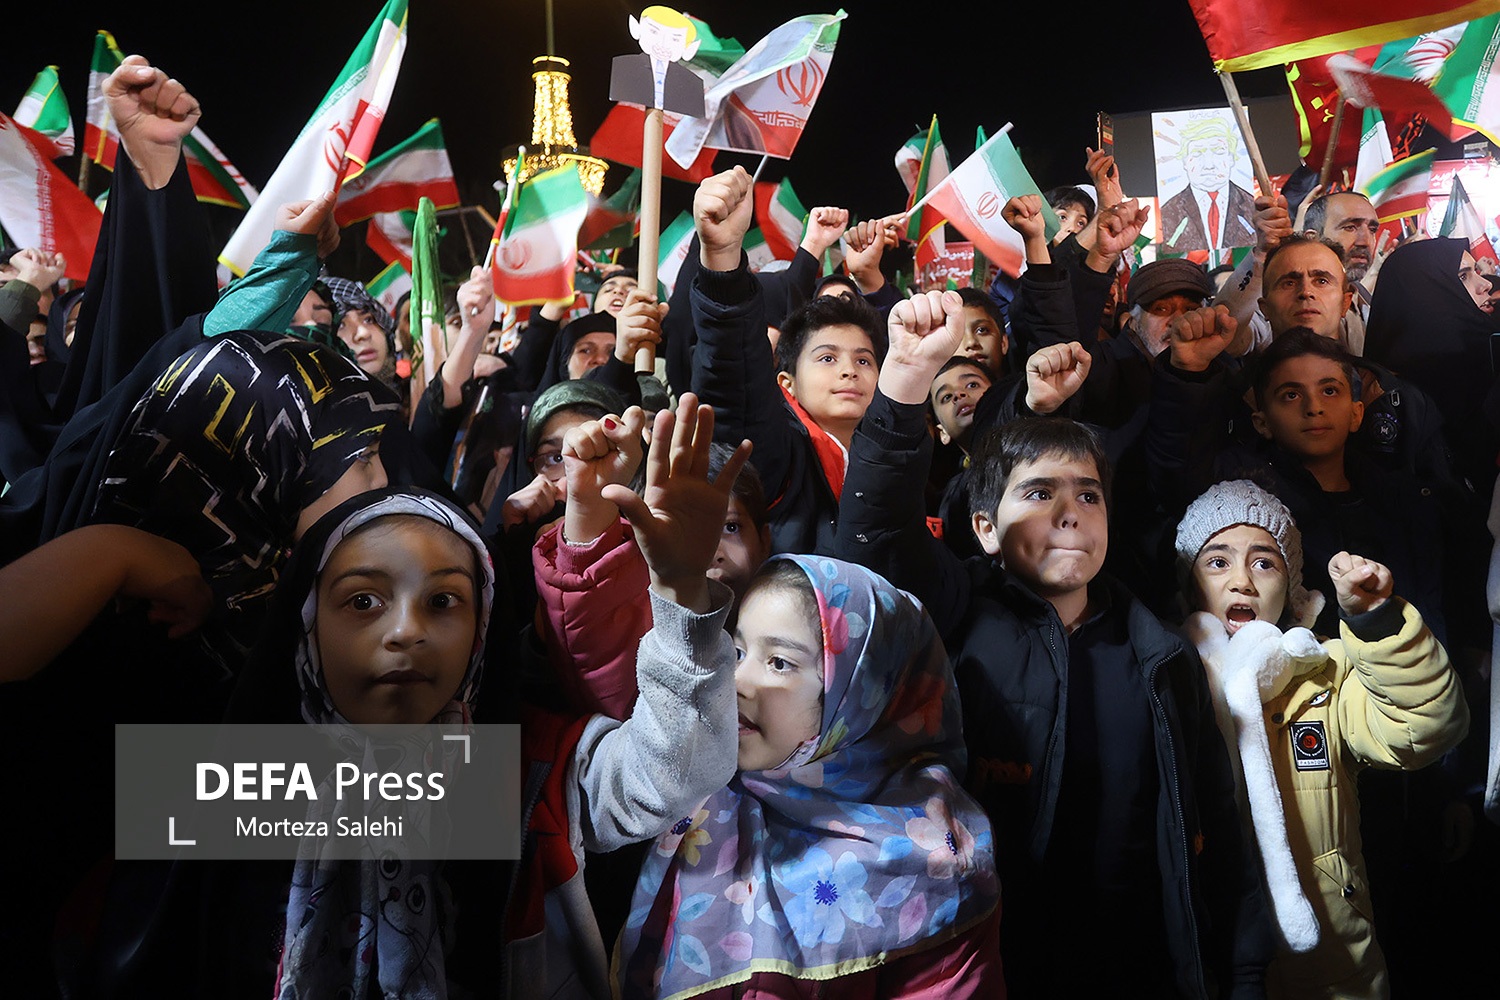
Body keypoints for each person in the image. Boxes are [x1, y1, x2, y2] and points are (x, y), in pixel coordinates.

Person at [833, 287, 1273, 997]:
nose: (1071, 513)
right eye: (1039, 494)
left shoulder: (1162, 656)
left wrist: (1245, 972)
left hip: (1137, 970)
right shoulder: (952, 618)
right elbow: (877, 536)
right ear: (984, 528)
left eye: (1088, 494)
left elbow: (1215, 825)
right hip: (986, 966)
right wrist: (906, 381)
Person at [617, 554, 1002, 998]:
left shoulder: (939, 864)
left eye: (779, 662)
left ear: (859, 692)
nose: (737, 680)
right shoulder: (706, 795)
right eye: (738, 652)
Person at [1176, 480, 1467, 998]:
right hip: (1208, 967)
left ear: (1291, 587)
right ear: (1189, 583)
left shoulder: (1325, 673)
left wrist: (1376, 623)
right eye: (1218, 562)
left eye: (1264, 563)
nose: (1242, 581)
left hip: (1331, 971)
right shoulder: (1164, 681)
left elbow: (1425, 725)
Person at [689, 165, 887, 554]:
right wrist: (722, 259)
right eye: (827, 358)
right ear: (787, 383)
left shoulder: (897, 463)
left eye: (864, 361)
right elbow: (734, 382)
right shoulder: (779, 459)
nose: (849, 370)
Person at [1158, 116, 1257, 252]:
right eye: (1197, 153)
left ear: (1231, 158)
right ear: (1185, 161)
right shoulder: (1171, 211)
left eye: (1218, 152)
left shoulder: (1251, 207)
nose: (1209, 165)